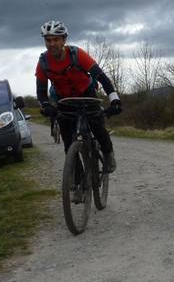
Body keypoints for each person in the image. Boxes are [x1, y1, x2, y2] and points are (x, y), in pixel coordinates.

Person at [35, 20, 122, 172]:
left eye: (56, 39)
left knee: (97, 127)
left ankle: (108, 154)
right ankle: (76, 181)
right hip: (65, 100)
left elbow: (102, 78)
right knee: (68, 144)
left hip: (87, 95)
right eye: (48, 40)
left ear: (64, 40)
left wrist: (115, 100)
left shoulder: (77, 54)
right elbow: (41, 92)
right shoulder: (43, 62)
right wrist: (46, 105)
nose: (52, 44)